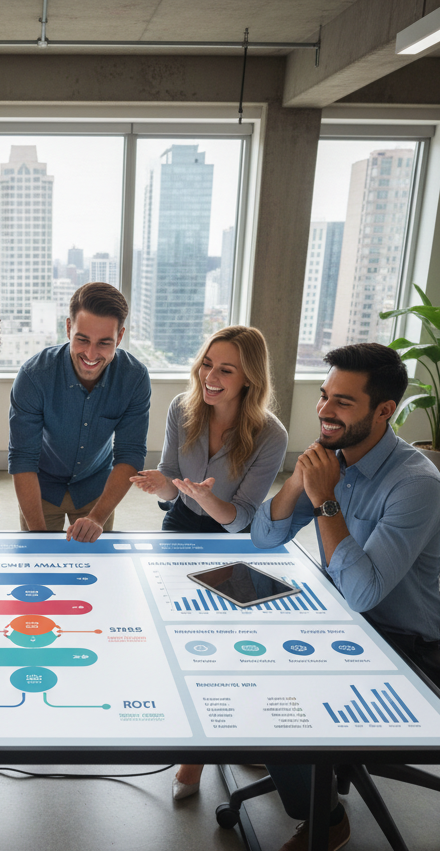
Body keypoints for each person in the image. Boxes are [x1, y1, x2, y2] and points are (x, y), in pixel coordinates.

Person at [251, 342, 440, 851]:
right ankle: (291, 757)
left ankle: (325, 816)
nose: (323, 411)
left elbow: (364, 596)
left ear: (384, 411)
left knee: (276, 690)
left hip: (394, 638)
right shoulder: (331, 458)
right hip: (333, 614)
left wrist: (325, 501)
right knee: (231, 647)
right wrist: (298, 482)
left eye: (342, 402)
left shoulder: (415, 484)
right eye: (323, 397)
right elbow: (264, 539)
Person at [130, 325, 288, 800]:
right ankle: (196, 737)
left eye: (225, 369)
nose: (210, 376)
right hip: (181, 526)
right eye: (206, 364)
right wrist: (163, 488)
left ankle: (196, 756)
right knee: (177, 636)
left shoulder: (270, 434)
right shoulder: (183, 408)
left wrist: (208, 498)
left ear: (249, 379)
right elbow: (172, 484)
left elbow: (242, 520)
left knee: (224, 644)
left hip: (230, 540)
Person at [8, 282, 150, 542]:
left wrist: (98, 517)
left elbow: (130, 453)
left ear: (119, 337)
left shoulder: (135, 378)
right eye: (82, 339)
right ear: (68, 328)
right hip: (40, 488)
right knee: (37, 565)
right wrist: (38, 537)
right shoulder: (33, 376)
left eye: (104, 343)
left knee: (96, 569)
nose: (91, 354)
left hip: (96, 488)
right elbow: (22, 459)